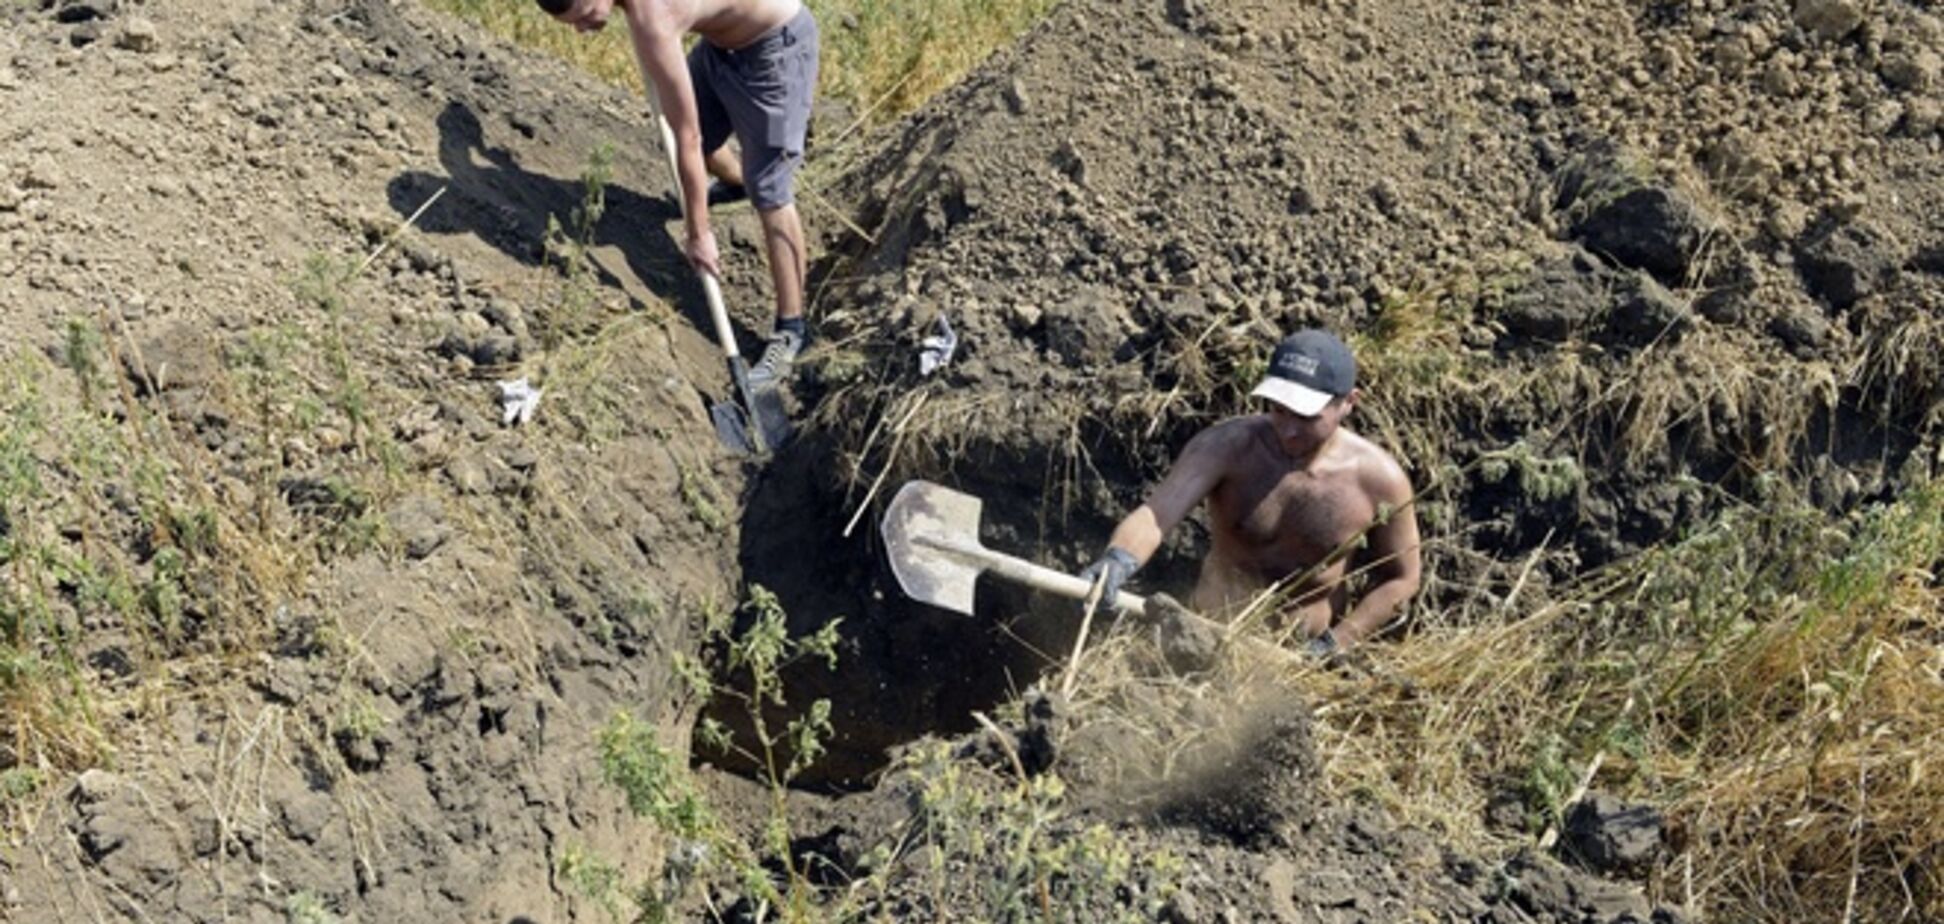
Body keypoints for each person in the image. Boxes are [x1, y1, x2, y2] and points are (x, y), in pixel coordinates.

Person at [1080, 329, 1422, 656]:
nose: (1288, 430)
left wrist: (1339, 642)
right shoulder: (1227, 446)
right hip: (1202, 639)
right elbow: (1159, 513)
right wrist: (1118, 560)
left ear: (1349, 402)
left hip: (1299, 661)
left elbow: (1403, 577)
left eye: (1306, 417)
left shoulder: (1379, 481)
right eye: (1278, 410)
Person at [548, 0, 819, 385]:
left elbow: (685, 138)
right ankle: (740, 182)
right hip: (719, 47)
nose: (581, 29)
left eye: (583, 14)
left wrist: (698, 233)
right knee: (713, 146)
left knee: (770, 189)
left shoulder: (654, 21)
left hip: (775, 48)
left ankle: (791, 329)